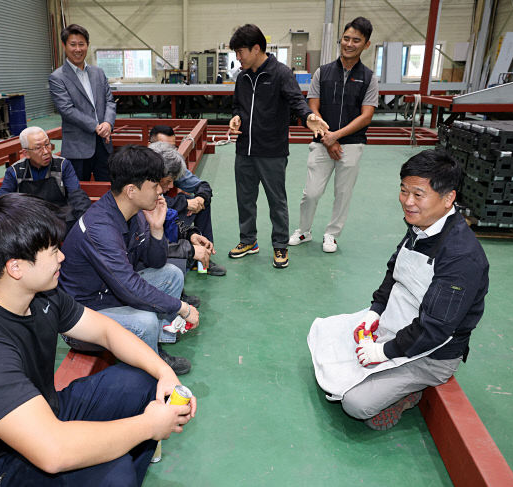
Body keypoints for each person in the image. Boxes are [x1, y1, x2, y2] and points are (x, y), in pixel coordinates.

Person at [0, 193, 196, 486]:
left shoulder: (40, 296)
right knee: (115, 475)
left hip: (46, 414)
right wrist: (150, 425)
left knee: (143, 381)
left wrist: (165, 373)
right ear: (16, 267)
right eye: (52, 251)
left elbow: (106, 331)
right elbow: (53, 451)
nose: (62, 256)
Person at [308, 150, 488, 430]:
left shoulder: (461, 257)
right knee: (324, 333)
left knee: (356, 404)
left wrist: (384, 351)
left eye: (418, 194)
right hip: (397, 320)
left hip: (431, 352)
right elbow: (395, 271)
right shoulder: (420, 226)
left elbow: (434, 329)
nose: (407, 202)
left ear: (448, 198)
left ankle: (408, 393)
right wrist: (375, 310)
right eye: (404, 191)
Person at [59, 145, 198, 375]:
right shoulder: (100, 228)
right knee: (146, 321)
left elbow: (155, 262)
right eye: (155, 186)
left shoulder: (134, 212)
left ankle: (156, 346)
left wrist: (156, 229)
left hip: (109, 295)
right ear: (132, 190)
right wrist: (180, 307)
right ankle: (152, 366)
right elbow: (128, 288)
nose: (160, 193)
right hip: (82, 316)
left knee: (171, 274)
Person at [227, 24, 328, 269]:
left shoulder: (281, 74)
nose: (237, 58)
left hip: (272, 152)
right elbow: (238, 106)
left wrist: (308, 118)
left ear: (256, 48)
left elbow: (297, 103)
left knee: (276, 201)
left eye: (240, 52)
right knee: (245, 199)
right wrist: (236, 118)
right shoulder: (242, 77)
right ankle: (248, 240)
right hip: (245, 150)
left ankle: (280, 245)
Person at [289, 17, 378, 253]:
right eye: (346, 38)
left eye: (356, 40)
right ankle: (304, 230)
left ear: (366, 45)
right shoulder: (323, 72)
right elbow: (312, 107)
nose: (349, 44)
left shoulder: (369, 78)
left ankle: (332, 234)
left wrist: (336, 136)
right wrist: (327, 138)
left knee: (342, 193)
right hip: (321, 142)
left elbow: (366, 116)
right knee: (311, 193)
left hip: (352, 145)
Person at [149, 125, 226, 276]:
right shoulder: (143, 172)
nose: (170, 153)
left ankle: (204, 257)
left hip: (168, 215)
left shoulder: (172, 166)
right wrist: (184, 203)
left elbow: (203, 186)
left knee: (202, 203)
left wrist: (199, 199)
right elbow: (149, 204)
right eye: (165, 148)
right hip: (152, 221)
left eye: (173, 148)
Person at [49, 24, 116, 181]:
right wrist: (96, 126)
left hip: (103, 144)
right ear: (64, 46)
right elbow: (66, 109)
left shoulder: (98, 73)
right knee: (78, 193)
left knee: (108, 190)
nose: (78, 49)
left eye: (81, 44)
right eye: (73, 44)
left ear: (87, 45)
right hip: (77, 148)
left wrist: (107, 123)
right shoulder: (57, 77)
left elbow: (110, 101)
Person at [0, 126, 91, 233]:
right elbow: (1, 199)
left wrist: (87, 222)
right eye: (38, 148)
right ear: (26, 153)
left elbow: (76, 195)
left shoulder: (63, 165)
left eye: (47, 144)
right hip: (29, 223)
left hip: (59, 218)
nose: (46, 151)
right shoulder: (14, 171)